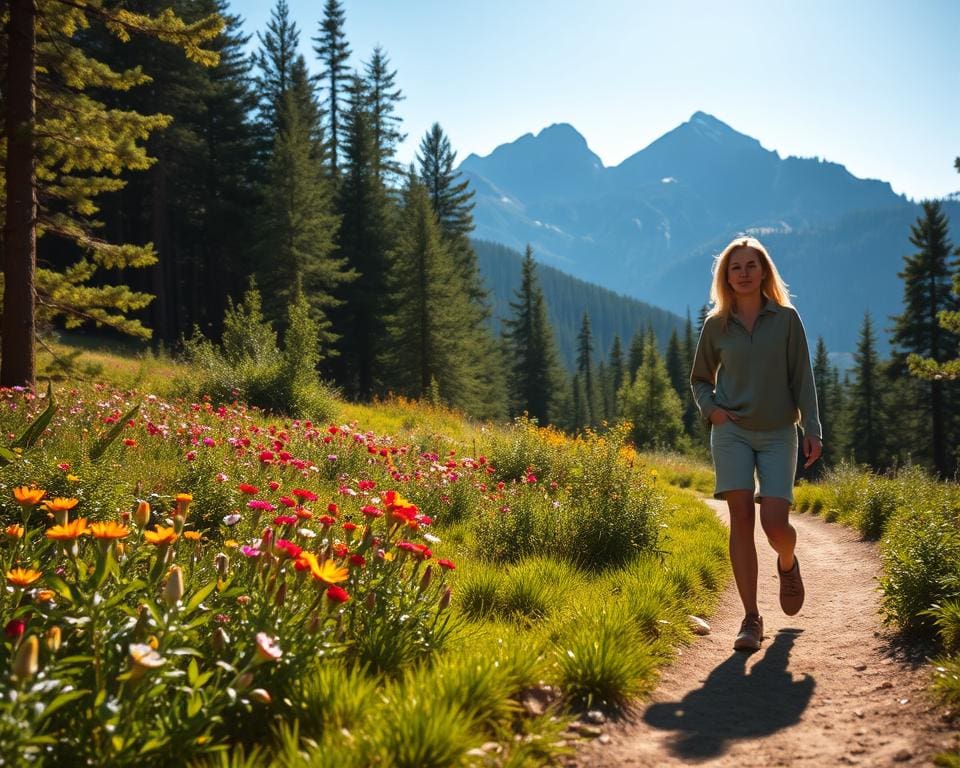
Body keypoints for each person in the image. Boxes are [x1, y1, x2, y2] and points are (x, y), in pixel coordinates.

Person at [690, 236, 822, 652]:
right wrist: (712, 410)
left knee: (775, 525)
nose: (744, 273)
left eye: (751, 265)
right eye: (736, 267)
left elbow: (803, 377)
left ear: (764, 271)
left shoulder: (786, 319)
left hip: (779, 431)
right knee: (742, 518)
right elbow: (700, 379)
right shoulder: (716, 325)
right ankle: (751, 618)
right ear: (726, 277)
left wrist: (813, 428)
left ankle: (787, 562)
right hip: (731, 431)